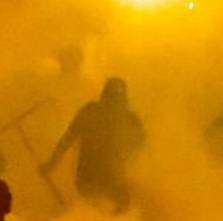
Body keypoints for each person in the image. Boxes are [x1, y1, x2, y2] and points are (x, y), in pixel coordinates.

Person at [38, 77, 145, 214]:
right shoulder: (90, 113)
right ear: (105, 96)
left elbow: (140, 147)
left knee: (121, 204)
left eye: (117, 98)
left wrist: (127, 162)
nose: (114, 102)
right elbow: (68, 138)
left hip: (112, 177)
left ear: (123, 99)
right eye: (111, 97)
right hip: (88, 176)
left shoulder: (130, 120)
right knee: (109, 204)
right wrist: (51, 163)